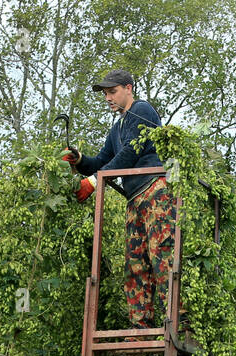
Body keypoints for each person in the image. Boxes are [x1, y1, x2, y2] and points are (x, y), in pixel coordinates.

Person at [64, 69, 175, 331]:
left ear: (128, 88)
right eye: (105, 94)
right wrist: (80, 161)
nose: (108, 98)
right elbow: (102, 162)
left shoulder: (143, 111)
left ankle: (179, 322)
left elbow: (129, 153)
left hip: (155, 191)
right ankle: (140, 328)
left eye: (112, 92)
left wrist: (93, 182)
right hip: (134, 199)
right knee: (135, 264)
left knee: (162, 256)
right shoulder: (117, 128)